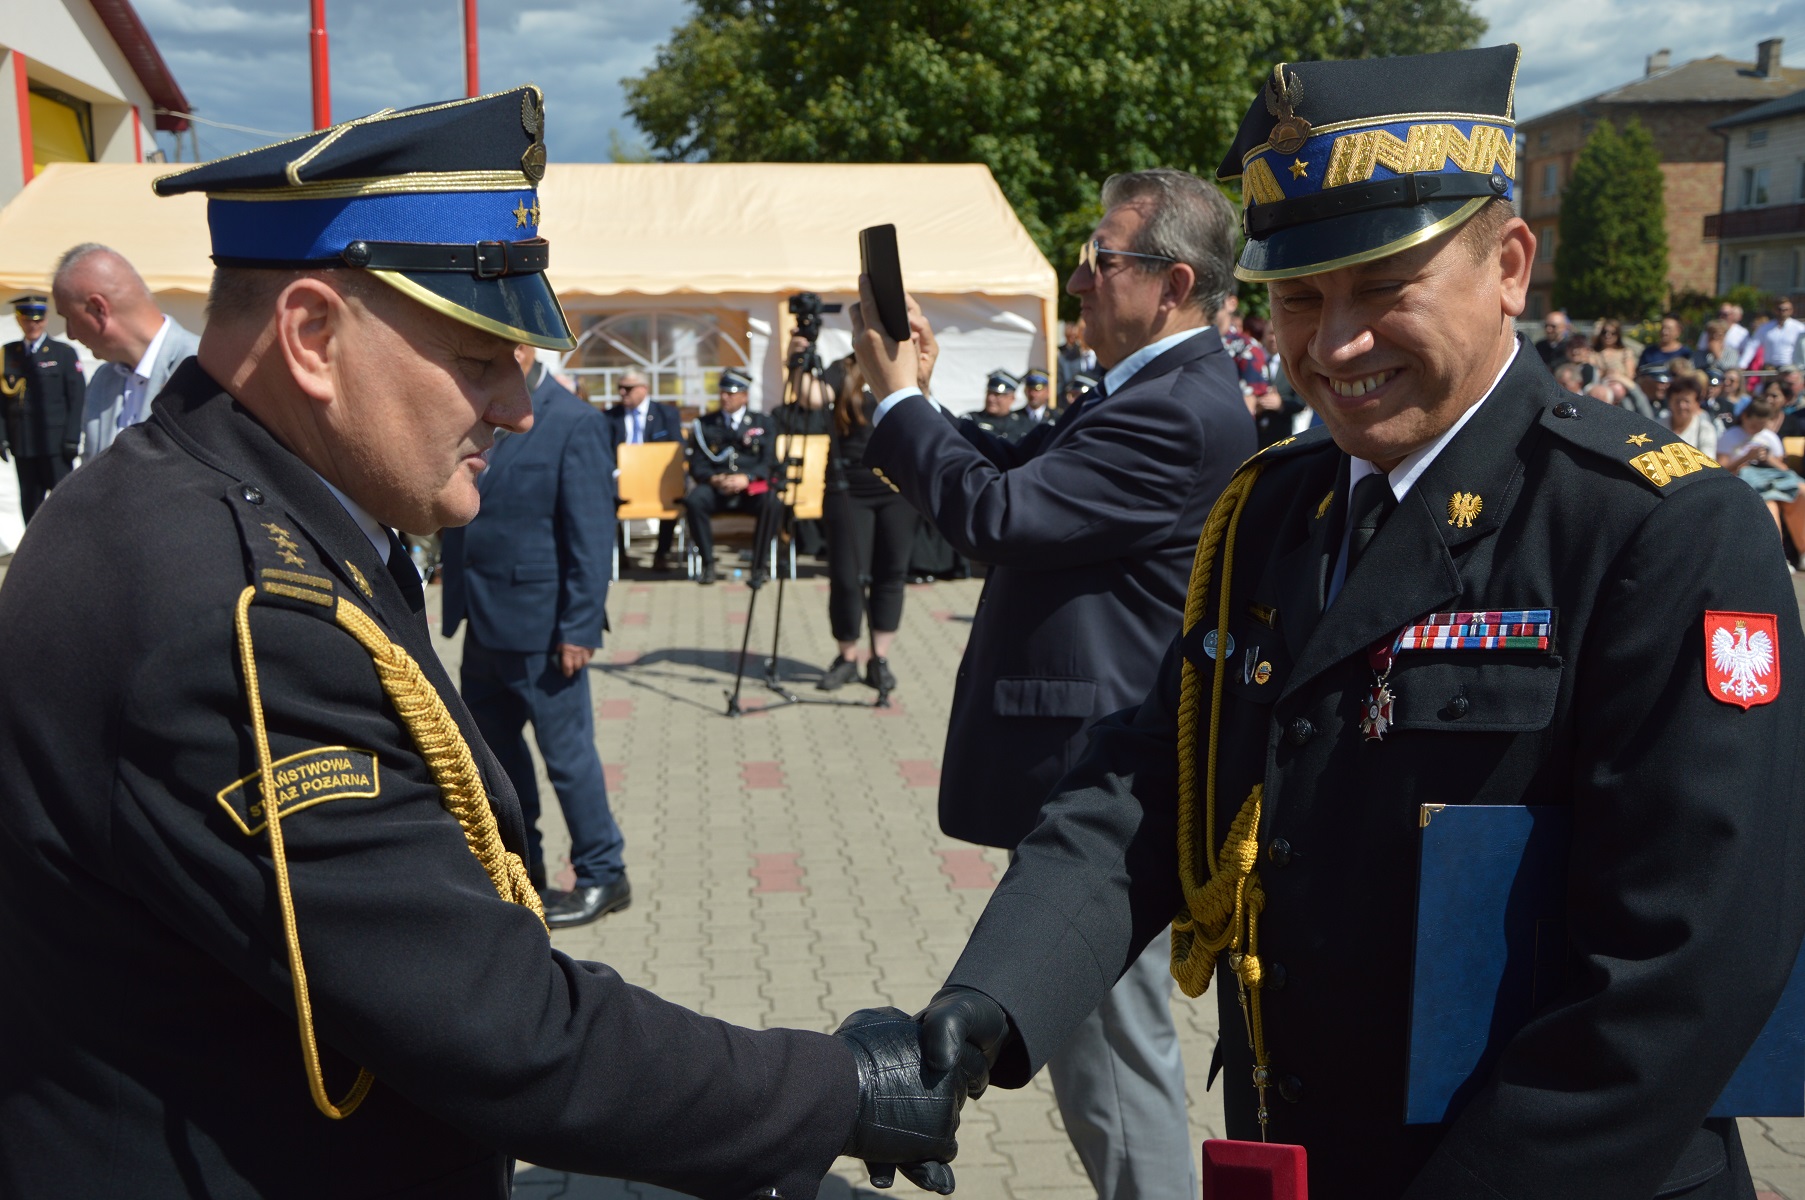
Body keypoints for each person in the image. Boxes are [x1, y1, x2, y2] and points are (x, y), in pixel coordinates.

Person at [0, 87, 967, 1199]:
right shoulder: (233, 614)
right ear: (311, 336)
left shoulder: (200, 501)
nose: (518, 407)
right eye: (478, 358)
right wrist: (839, 1088)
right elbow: (499, 1026)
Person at [898, 46, 1805, 1198]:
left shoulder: (1655, 529)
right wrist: (989, 1003)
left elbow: (1687, 966)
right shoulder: (1275, 510)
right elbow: (1148, 782)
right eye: (1298, 297)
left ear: (1507, 267)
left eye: (1381, 287)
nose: (1332, 345)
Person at [856, 166, 1255, 1200]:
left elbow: (994, 515)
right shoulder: (1148, 390)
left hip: (1102, 776)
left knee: (1111, 1058)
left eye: (1098, 261)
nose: (1077, 280)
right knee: (1100, 1052)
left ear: (1171, 284)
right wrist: (921, 400)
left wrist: (896, 401)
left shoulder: (1173, 409)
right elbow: (1016, 473)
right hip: (1090, 762)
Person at [440, 347, 629, 929]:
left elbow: (592, 536)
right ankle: (523, 870)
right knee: (493, 760)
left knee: (567, 757)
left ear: (521, 351)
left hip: (545, 630)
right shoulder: (478, 409)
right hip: (482, 621)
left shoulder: (574, 422)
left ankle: (603, 873)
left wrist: (580, 626)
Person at [817, 357, 916, 693]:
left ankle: (879, 658)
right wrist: (798, 360)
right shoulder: (842, 368)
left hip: (898, 488)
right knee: (846, 577)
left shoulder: (903, 362)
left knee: (891, 574)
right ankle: (847, 658)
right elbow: (811, 397)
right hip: (849, 488)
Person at [52, 243, 199, 460]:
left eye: (69, 318)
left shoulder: (203, 368)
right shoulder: (103, 380)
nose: (70, 334)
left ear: (99, 309)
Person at [681, 366, 782, 586]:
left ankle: (759, 566)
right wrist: (714, 479)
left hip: (749, 488)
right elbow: (697, 464)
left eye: (731, 393)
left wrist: (748, 478)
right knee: (694, 501)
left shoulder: (763, 423)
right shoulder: (705, 424)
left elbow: (769, 462)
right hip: (718, 487)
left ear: (744, 396)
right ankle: (708, 564)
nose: (725, 397)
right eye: (722, 392)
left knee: (772, 503)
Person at [0, 294, 83, 522]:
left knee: (63, 503)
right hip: (24, 443)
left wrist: (72, 438)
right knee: (30, 506)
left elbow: (76, 398)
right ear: (19, 319)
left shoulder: (62, 353)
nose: (33, 325)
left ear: (46, 320)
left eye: (38, 320)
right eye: (27, 320)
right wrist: (2, 436)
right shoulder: (8, 353)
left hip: (55, 444)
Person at [603, 369, 683, 571]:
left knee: (673, 496)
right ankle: (619, 554)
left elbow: (677, 450)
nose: (622, 392)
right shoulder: (610, 417)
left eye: (628, 388)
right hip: (621, 479)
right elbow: (603, 451)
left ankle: (662, 554)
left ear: (644, 388)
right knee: (604, 496)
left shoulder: (666, 415)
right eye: (620, 387)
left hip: (659, 481)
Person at [1666, 371, 1718, 458]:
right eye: (1677, 401)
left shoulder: (1705, 430)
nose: (1681, 406)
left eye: (1686, 401)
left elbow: (1707, 462)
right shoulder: (1657, 426)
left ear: (1696, 403)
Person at [1742, 297, 1803, 371]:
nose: (1782, 312)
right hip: (1770, 368)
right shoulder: (1765, 328)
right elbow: (1752, 346)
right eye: (1779, 309)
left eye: (1786, 310)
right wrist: (1742, 364)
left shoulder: (1799, 328)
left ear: (1791, 310)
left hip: (1790, 368)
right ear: (1774, 310)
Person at [966, 368, 1020, 438]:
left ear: (1012, 398)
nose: (990, 399)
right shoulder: (971, 420)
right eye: (989, 393)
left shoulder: (1023, 423)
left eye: (997, 395)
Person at [1056, 316, 1098, 396]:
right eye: (1083, 330)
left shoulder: (1106, 358)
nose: (1088, 333)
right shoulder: (1065, 360)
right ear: (1078, 333)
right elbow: (1060, 389)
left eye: (1092, 329)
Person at [1018, 366, 1058, 432]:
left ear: (1047, 392)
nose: (1033, 394)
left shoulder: (1057, 417)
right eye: (1030, 390)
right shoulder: (1015, 417)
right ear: (1025, 391)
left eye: (1037, 390)